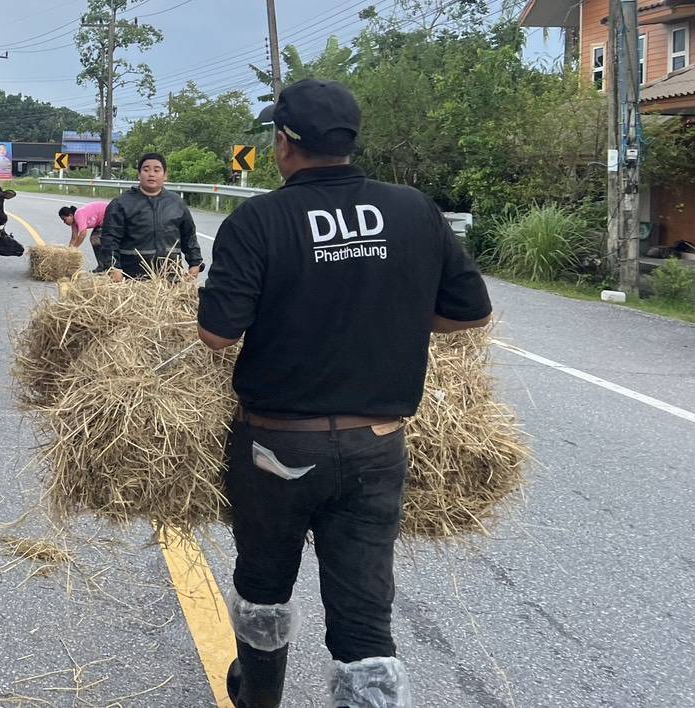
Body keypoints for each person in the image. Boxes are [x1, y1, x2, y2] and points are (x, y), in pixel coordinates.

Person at [195, 79, 492, 708]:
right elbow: (470, 313)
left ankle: (258, 698)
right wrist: (397, 312)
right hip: (375, 447)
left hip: (277, 448)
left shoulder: (257, 220)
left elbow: (217, 336)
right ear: (352, 141)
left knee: (265, 587)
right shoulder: (413, 210)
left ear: (282, 144)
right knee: (363, 619)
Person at [100, 153, 203, 281]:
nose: (151, 174)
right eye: (146, 169)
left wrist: (195, 262)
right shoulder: (121, 204)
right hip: (133, 278)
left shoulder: (176, 203)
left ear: (165, 175)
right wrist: (113, 267)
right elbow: (110, 238)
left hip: (170, 278)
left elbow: (189, 236)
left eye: (157, 170)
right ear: (139, 174)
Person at [59, 201, 112, 272]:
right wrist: (69, 253)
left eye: (64, 219)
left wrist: (74, 248)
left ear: (70, 215)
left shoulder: (78, 214)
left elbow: (83, 234)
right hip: (101, 221)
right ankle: (102, 266)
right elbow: (74, 238)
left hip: (110, 214)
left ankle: (109, 266)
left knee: (97, 239)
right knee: (94, 239)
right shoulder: (74, 223)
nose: (64, 222)